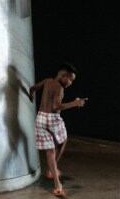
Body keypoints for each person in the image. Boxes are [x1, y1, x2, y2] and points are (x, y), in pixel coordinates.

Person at [29, 64, 88, 197]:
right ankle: (52, 170)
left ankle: (57, 185)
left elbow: (33, 88)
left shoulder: (47, 81)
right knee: (63, 139)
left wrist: (31, 96)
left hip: (40, 118)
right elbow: (56, 107)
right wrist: (75, 103)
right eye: (70, 79)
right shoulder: (59, 88)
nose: (71, 83)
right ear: (63, 75)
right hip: (52, 119)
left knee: (50, 151)